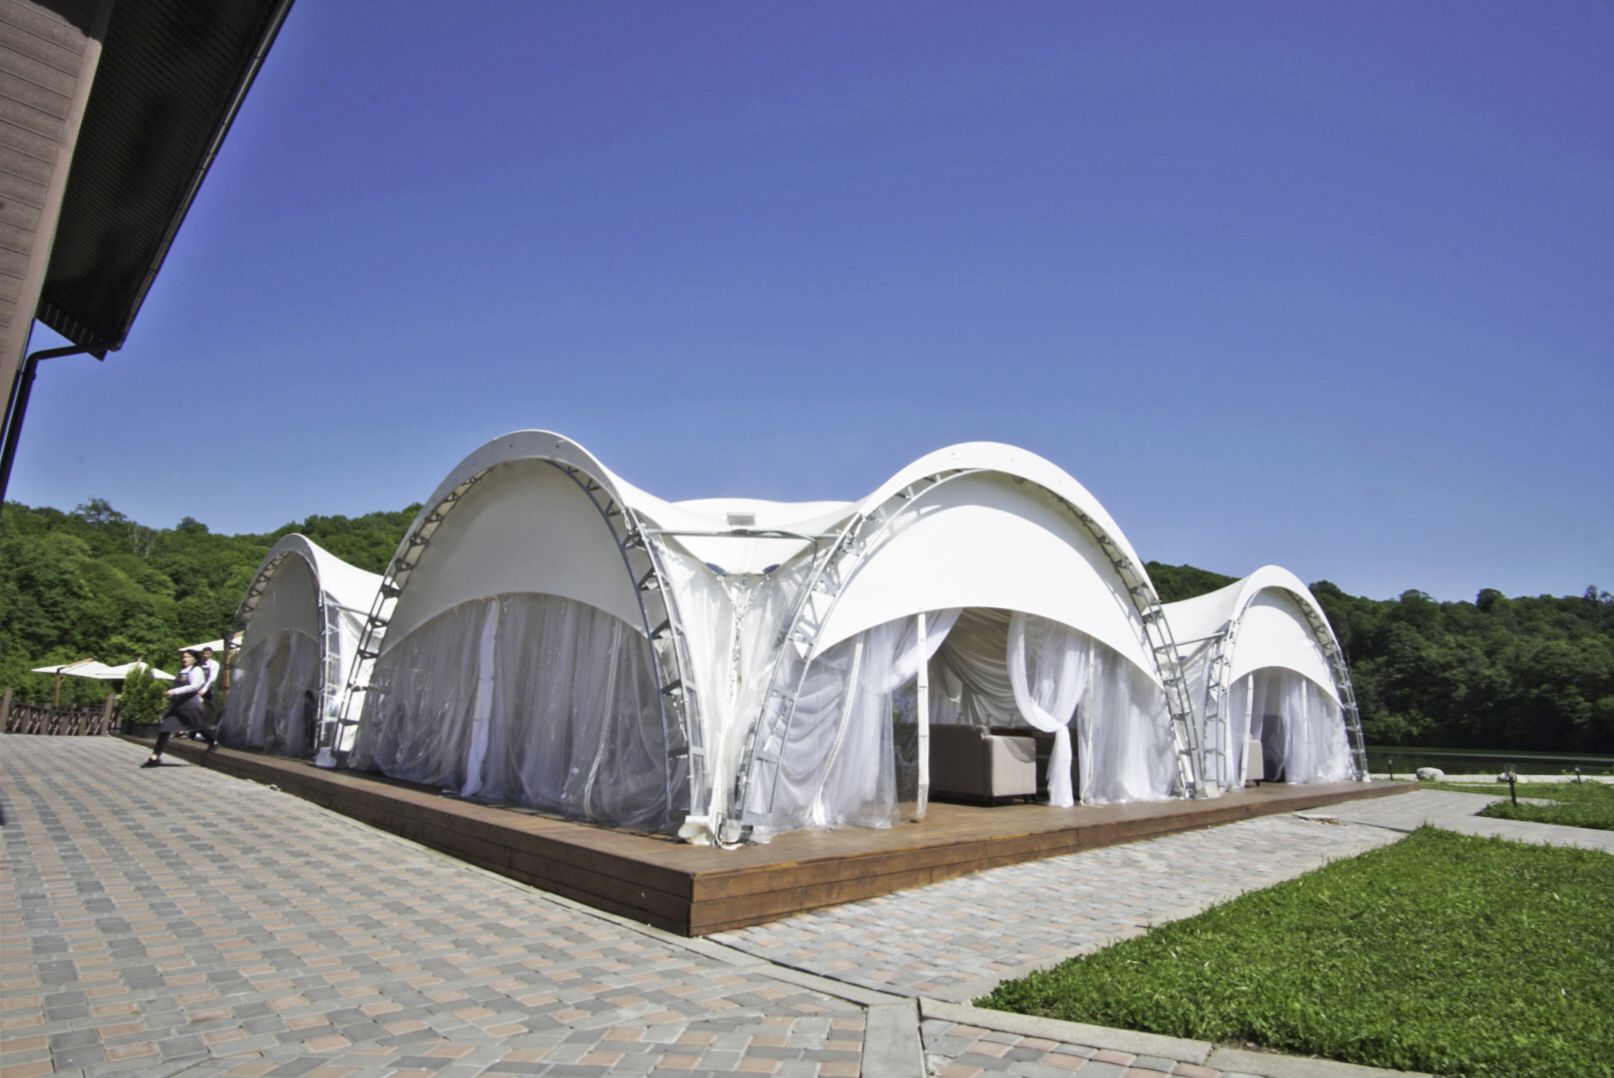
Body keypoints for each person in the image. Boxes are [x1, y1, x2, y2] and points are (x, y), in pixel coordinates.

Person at [143, 650, 216, 766]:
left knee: (197, 724)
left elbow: (195, 686)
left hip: (189, 703)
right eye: (184, 657)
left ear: (194, 659)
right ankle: (155, 756)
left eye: (188, 657)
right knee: (166, 728)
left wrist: (175, 691)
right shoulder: (182, 670)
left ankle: (213, 742)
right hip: (176, 703)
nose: (185, 659)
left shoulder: (196, 670)